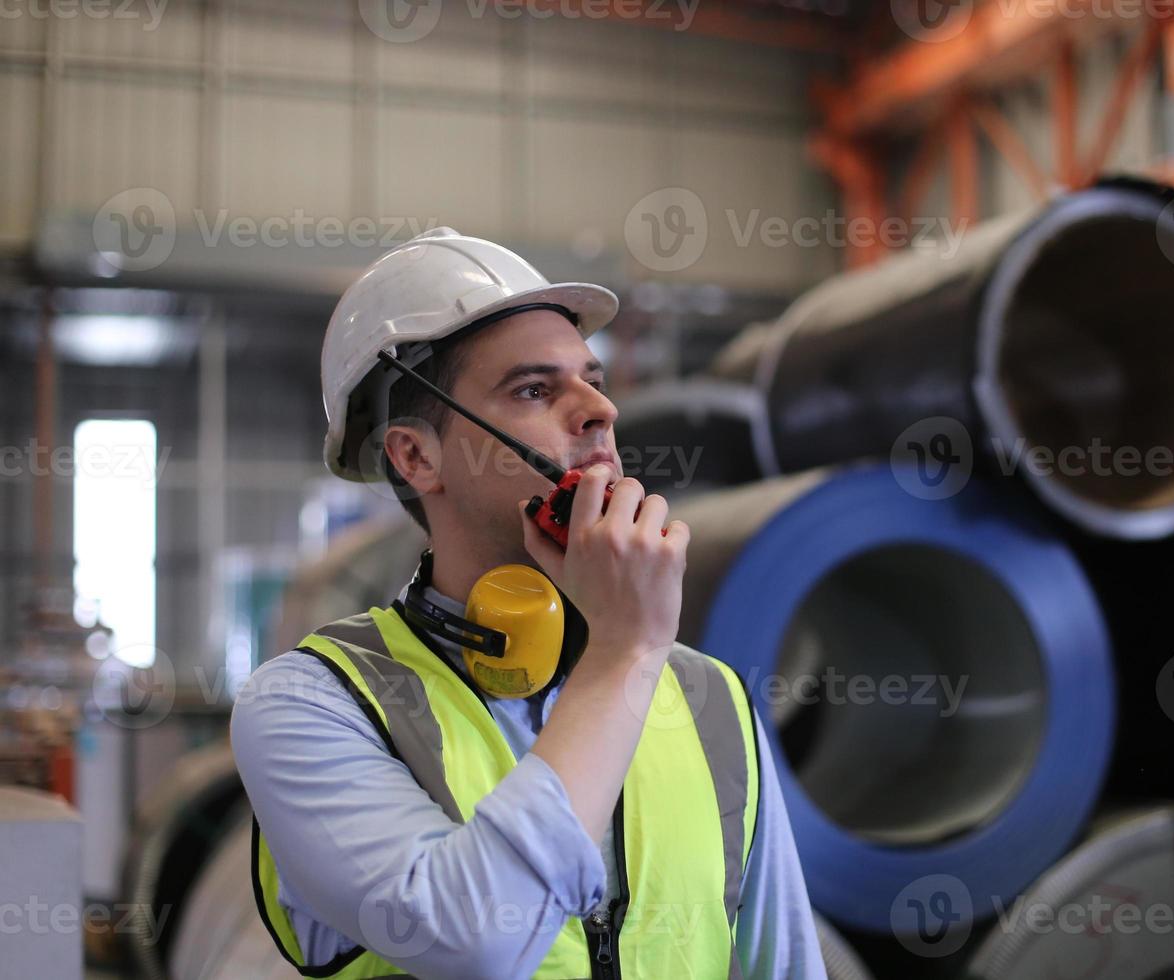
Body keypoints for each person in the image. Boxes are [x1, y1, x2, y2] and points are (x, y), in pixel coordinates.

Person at [230, 228, 823, 979]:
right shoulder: (312, 704)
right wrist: (625, 652)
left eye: (593, 380)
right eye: (536, 390)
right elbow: (473, 939)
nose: (599, 411)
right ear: (416, 456)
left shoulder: (711, 699)